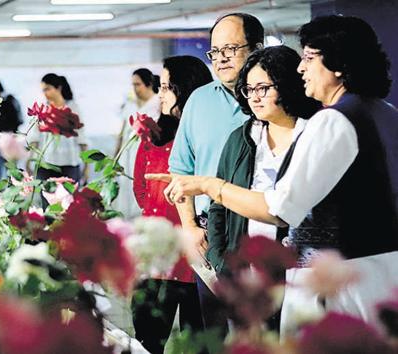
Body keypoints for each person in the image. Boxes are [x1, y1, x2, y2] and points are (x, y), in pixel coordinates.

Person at [150, 15, 398, 337]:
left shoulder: (333, 121)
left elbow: (280, 209)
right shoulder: (385, 112)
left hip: (338, 283)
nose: (301, 68)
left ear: (337, 64)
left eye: (309, 58)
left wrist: (209, 184)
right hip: (383, 273)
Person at [166, 13, 264, 334]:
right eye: (215, 52)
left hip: (263, 227)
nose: (221, 60)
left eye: (230, 50)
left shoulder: (277, 99)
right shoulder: (199, 100)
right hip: (211, 232)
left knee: (262, 328)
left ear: (257, 48)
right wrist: (190, 226)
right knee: (214, 329)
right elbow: (180, 167)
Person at [206, 46, 321, 277]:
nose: (255, 98)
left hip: (300, 275)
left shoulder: (314, 136)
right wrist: (219, 259)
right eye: (249, 89)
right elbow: (218, 206)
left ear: (287, 86)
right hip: (242, 276)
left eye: (263, 88)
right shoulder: (240, 139)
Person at [132, 56, 212, 354]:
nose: (160, 94)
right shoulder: (153, 134)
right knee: (147, 339)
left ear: (187, 89)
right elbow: (140, 184)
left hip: (197, 255)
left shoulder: (208, 136)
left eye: (167, 87)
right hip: (157, 255)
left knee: (198, 341)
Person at [27, 74, 88, 204]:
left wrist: (87, 166)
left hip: (69, 164)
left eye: (48, 89)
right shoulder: (43, 109)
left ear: (58, 88)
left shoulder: (73, 108)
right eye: (43, 90)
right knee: (47, 204)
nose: (45, 93)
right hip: (45, 164)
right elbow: (34, 137)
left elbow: (82, 139)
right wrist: (29, 160)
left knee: (69, 203)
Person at [114, 68, 161, 219]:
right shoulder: (131, 105)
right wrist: (115, 157)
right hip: (126, 154)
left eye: (138, 84)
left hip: (145, 155)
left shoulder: (158, 103)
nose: (134, 88)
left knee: (141, 189)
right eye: (133, 84)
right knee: (125, 191)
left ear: (148, 84)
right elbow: (122, 133)